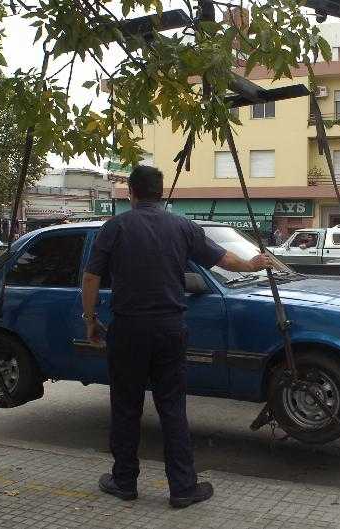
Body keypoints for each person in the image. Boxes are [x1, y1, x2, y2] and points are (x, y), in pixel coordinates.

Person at [81, 165, 272, 508]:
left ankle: (124, 481)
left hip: (128, 330)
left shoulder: (116, 227)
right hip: (170, 328)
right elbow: (224, 259)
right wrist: (254, 264)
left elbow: (91, 278)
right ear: (160, 190)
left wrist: (91, 319)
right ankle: (183, 488)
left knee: (126, 407)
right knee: (172, 408)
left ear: (131, 193)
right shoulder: (183, 226)